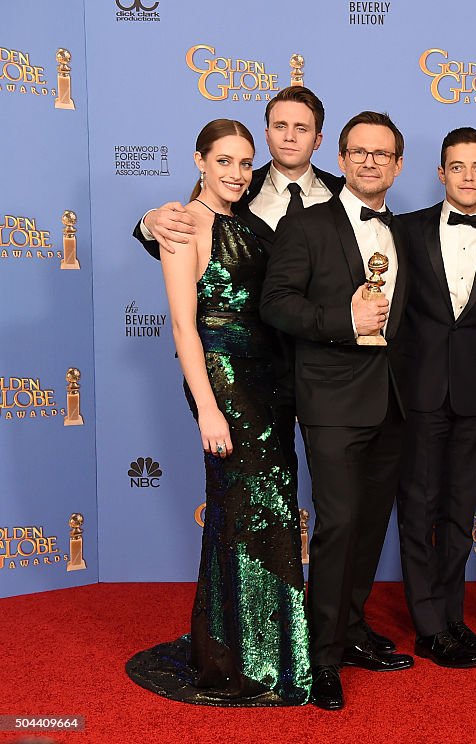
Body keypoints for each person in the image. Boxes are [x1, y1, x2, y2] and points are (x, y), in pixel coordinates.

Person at [131, 87, 400, 660]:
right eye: (279, 125)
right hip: (239, 378)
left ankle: (311, 636)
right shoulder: (235, 190)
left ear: (320, 138)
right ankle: (260, 648)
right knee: (257, 510)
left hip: (319, 379)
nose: (289, 137)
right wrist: (148, 218)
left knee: (316, 513)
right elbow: (184, 244)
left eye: (302, 128)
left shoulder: (343, 188)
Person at [125, 119, 310, 706]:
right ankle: (244, 659)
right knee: (249, 507)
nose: (236, 173)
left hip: (271, 382)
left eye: (245, 163)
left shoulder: (249, 221)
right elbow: (184, 325)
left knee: (264, 512)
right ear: (200, 160)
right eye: (224, 161)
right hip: (225, 384)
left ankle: (263, 650)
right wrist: (207, 408)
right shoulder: (183, 225)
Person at [261, 111, 413, 711]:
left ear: (398, 166)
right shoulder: (306, 226)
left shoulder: (405, 229)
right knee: (338, 525)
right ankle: (321, 655)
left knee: (371, 525)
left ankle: (351, 632)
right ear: (342, 159)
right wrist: (341, 323)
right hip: (330, 399)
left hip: (394, 400)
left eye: (383, 154)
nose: (372, 162)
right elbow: (275, 304)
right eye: (360, 152)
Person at [392, 127, 476, 669]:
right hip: (416, 392)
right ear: (441, 173)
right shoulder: (405, 230)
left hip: (475, 394)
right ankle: (427, 626)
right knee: (418, 509)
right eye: (457, 166)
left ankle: (453, 616)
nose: (468, 176)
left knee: (460, 513)